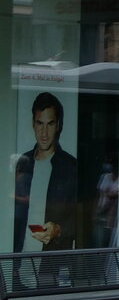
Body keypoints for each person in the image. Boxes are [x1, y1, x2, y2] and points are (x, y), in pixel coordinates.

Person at [13, 92, 79, 287]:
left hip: (50, 268)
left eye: (49, 124)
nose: (44, 132)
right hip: (17, 265)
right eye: (39, 123)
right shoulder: (22, 163)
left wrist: (58, 229)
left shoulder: (70, 167)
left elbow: (82, 217)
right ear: (33, 124)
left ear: (58, 125)